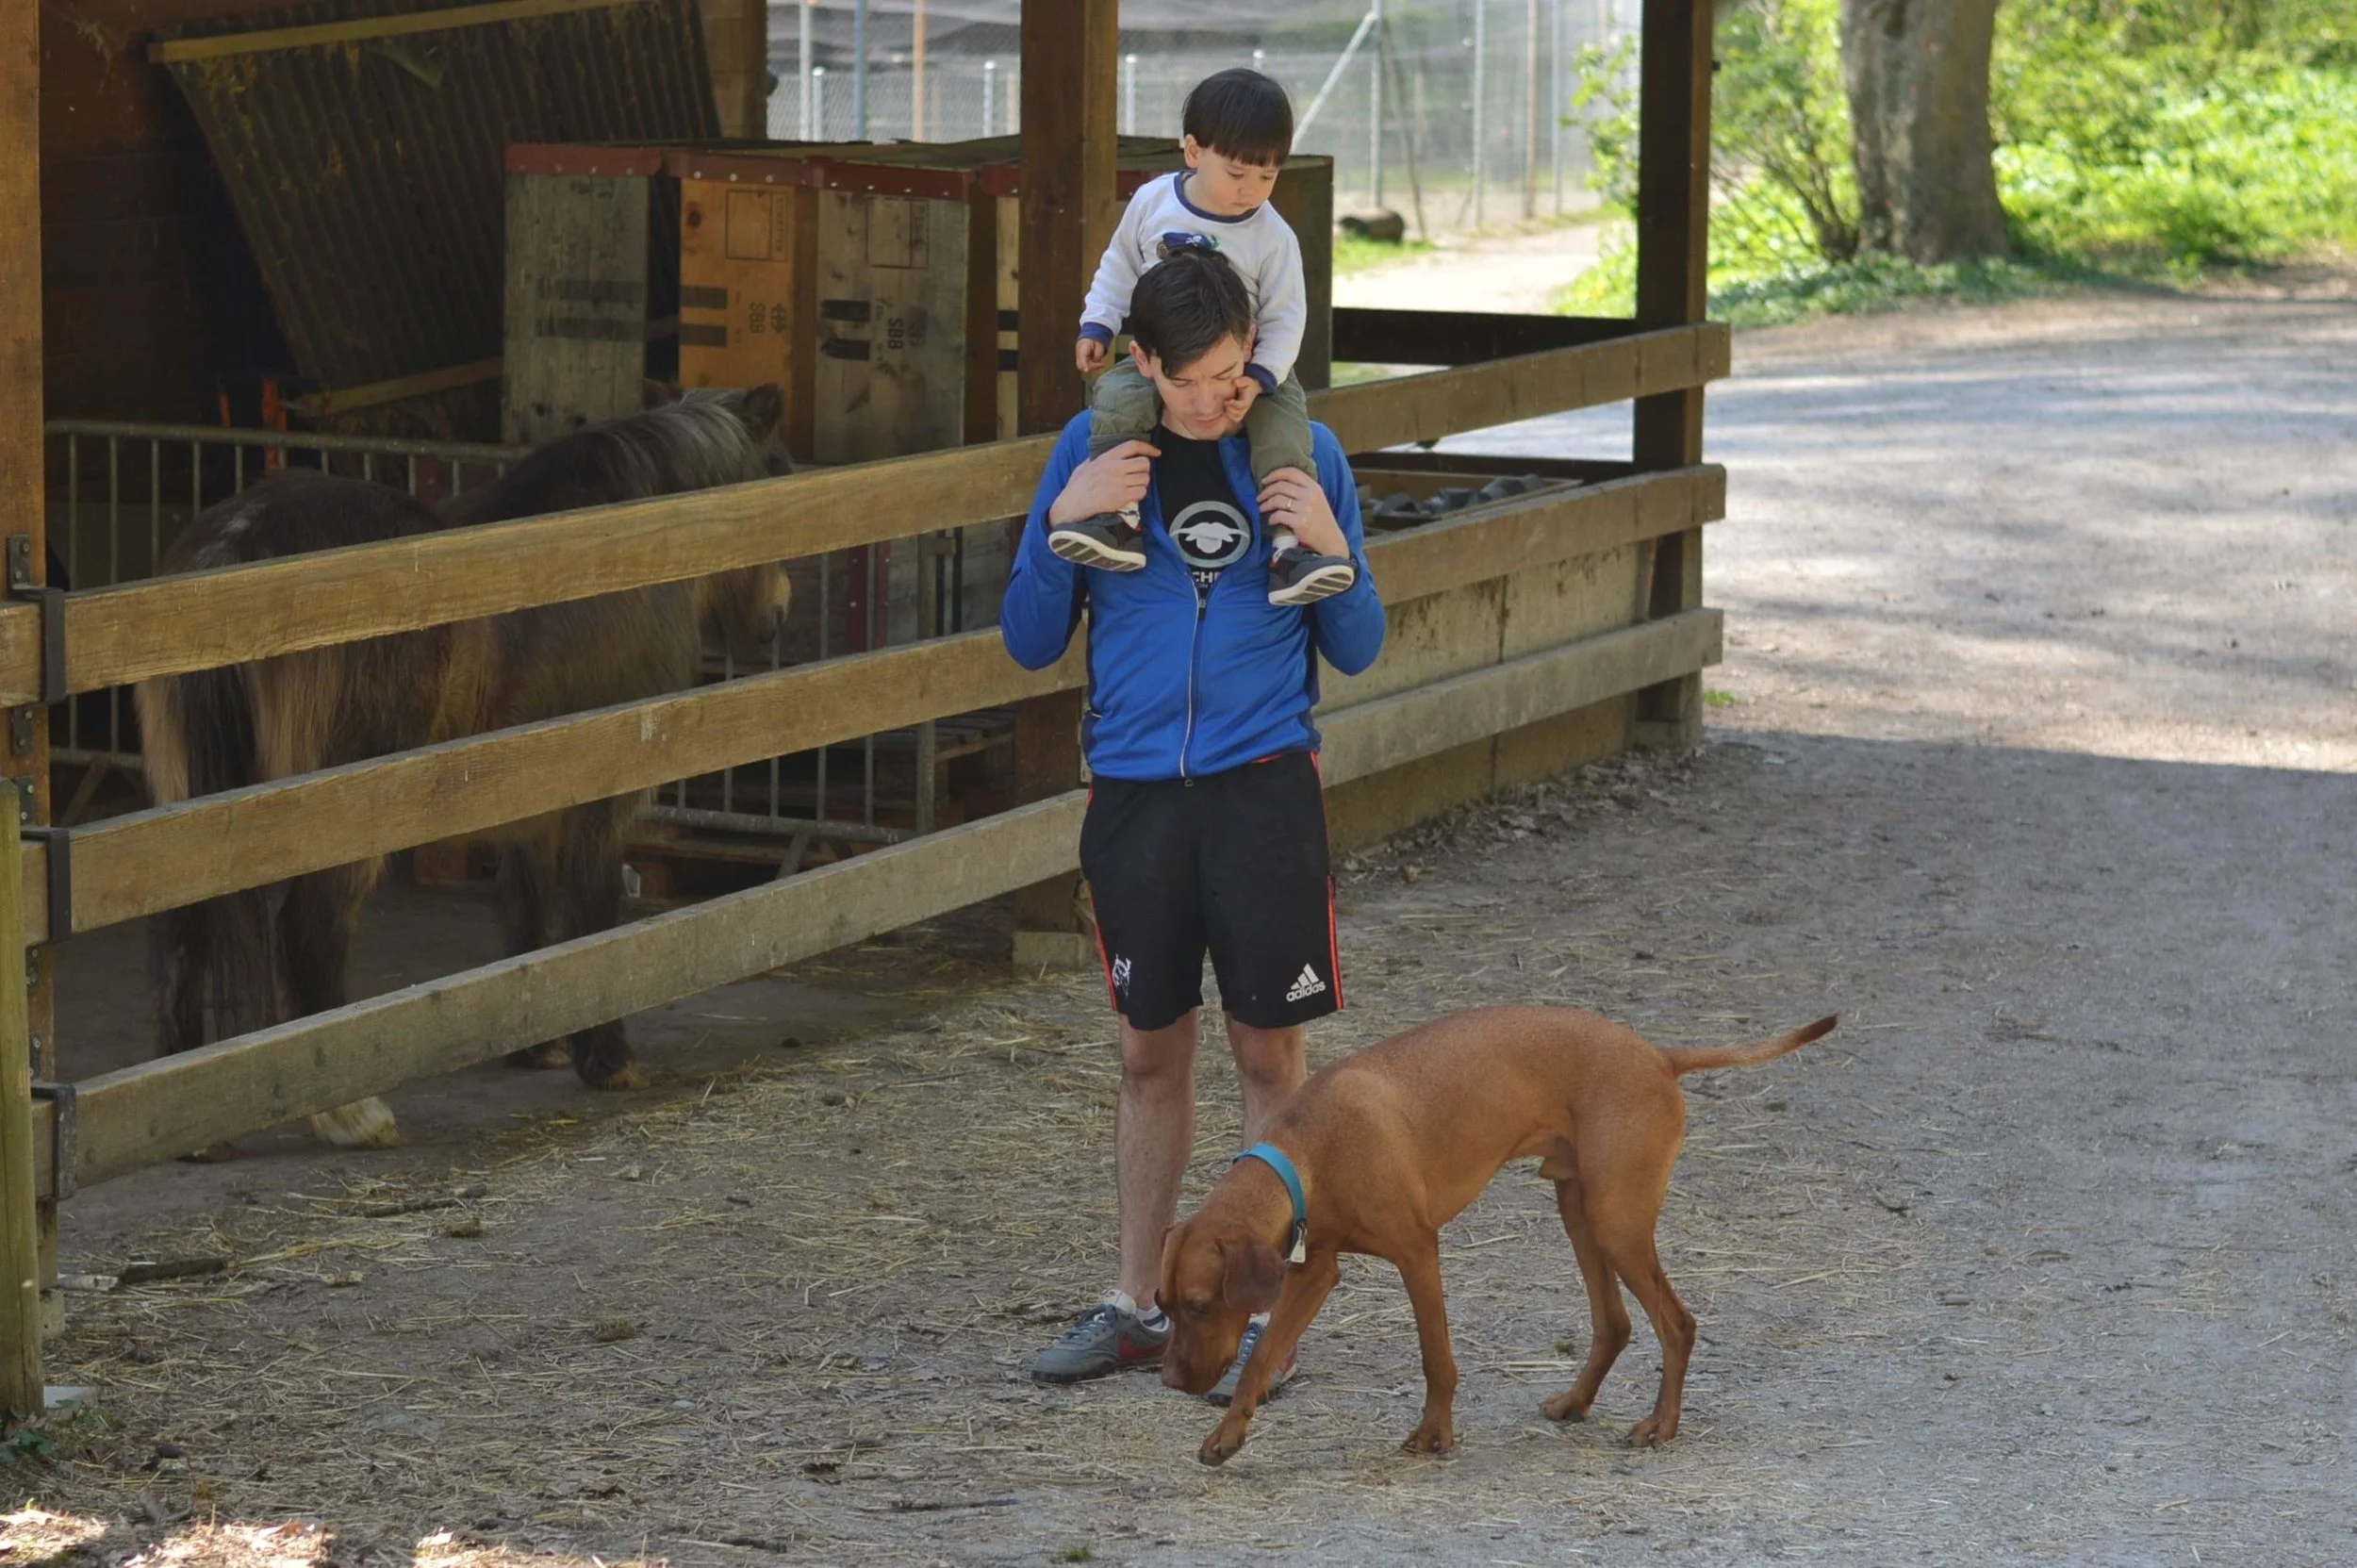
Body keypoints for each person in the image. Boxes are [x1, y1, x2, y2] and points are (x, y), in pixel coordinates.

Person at [1000, 249, 1385, 1406]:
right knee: (1145, 1050)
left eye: (1234, 375)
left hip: (1263, 789)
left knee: (1271, 1056)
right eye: (1195, 381)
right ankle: (1134, 1301)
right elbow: (1027, 639)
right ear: (1142, 364)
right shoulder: (1093, 455)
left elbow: (1358, 644)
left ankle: (1270, 1316)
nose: (1220, 399)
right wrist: (1059, 520)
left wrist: (1333, 540)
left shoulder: (1300, 451)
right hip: (1133, 794)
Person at [1049, 67, 1359, 608]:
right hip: (1164, 353)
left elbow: (1288, 317)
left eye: (1268, 176)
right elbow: (1119, 266)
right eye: (1238, 172)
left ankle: (1293, 548)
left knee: (1284, 431)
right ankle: (1115, 517)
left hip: (1251, 366)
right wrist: (1097, 322)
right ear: (1193, 151)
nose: (1252, 190)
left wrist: (1260, 377)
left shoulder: (1272, 235)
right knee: (1117, 399)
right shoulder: (1151, 203)